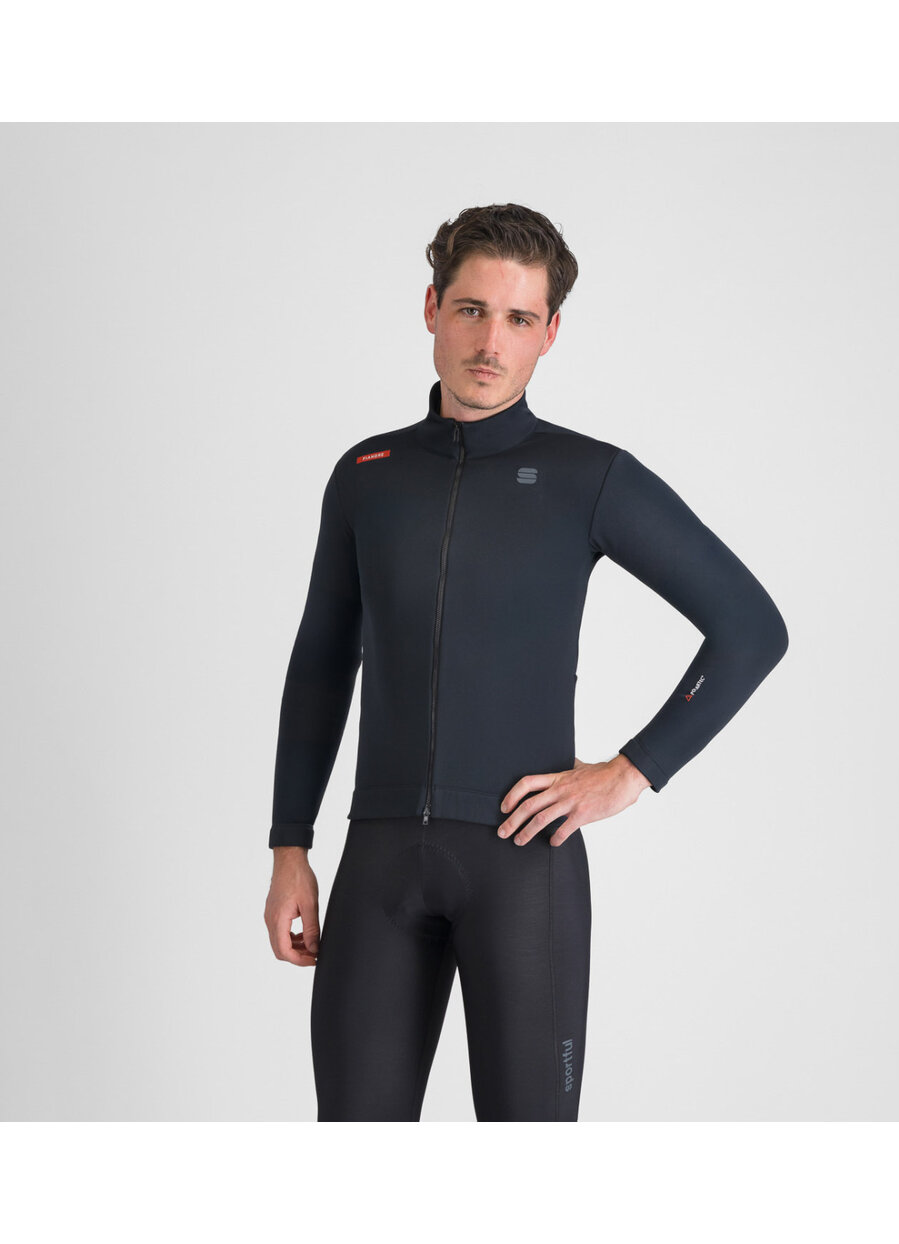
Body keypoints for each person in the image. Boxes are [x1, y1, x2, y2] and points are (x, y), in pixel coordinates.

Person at [263, 203, 789, 1121]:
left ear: (549, 333)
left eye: (518, 318)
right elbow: (321, 660)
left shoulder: (590, 478)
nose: (490, 341)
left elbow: (751, 626)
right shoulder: (367, 475)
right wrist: (289, 846)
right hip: (378, 865)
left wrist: (631, 772)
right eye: (472, 310)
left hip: (522, 876)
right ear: (431, 308)